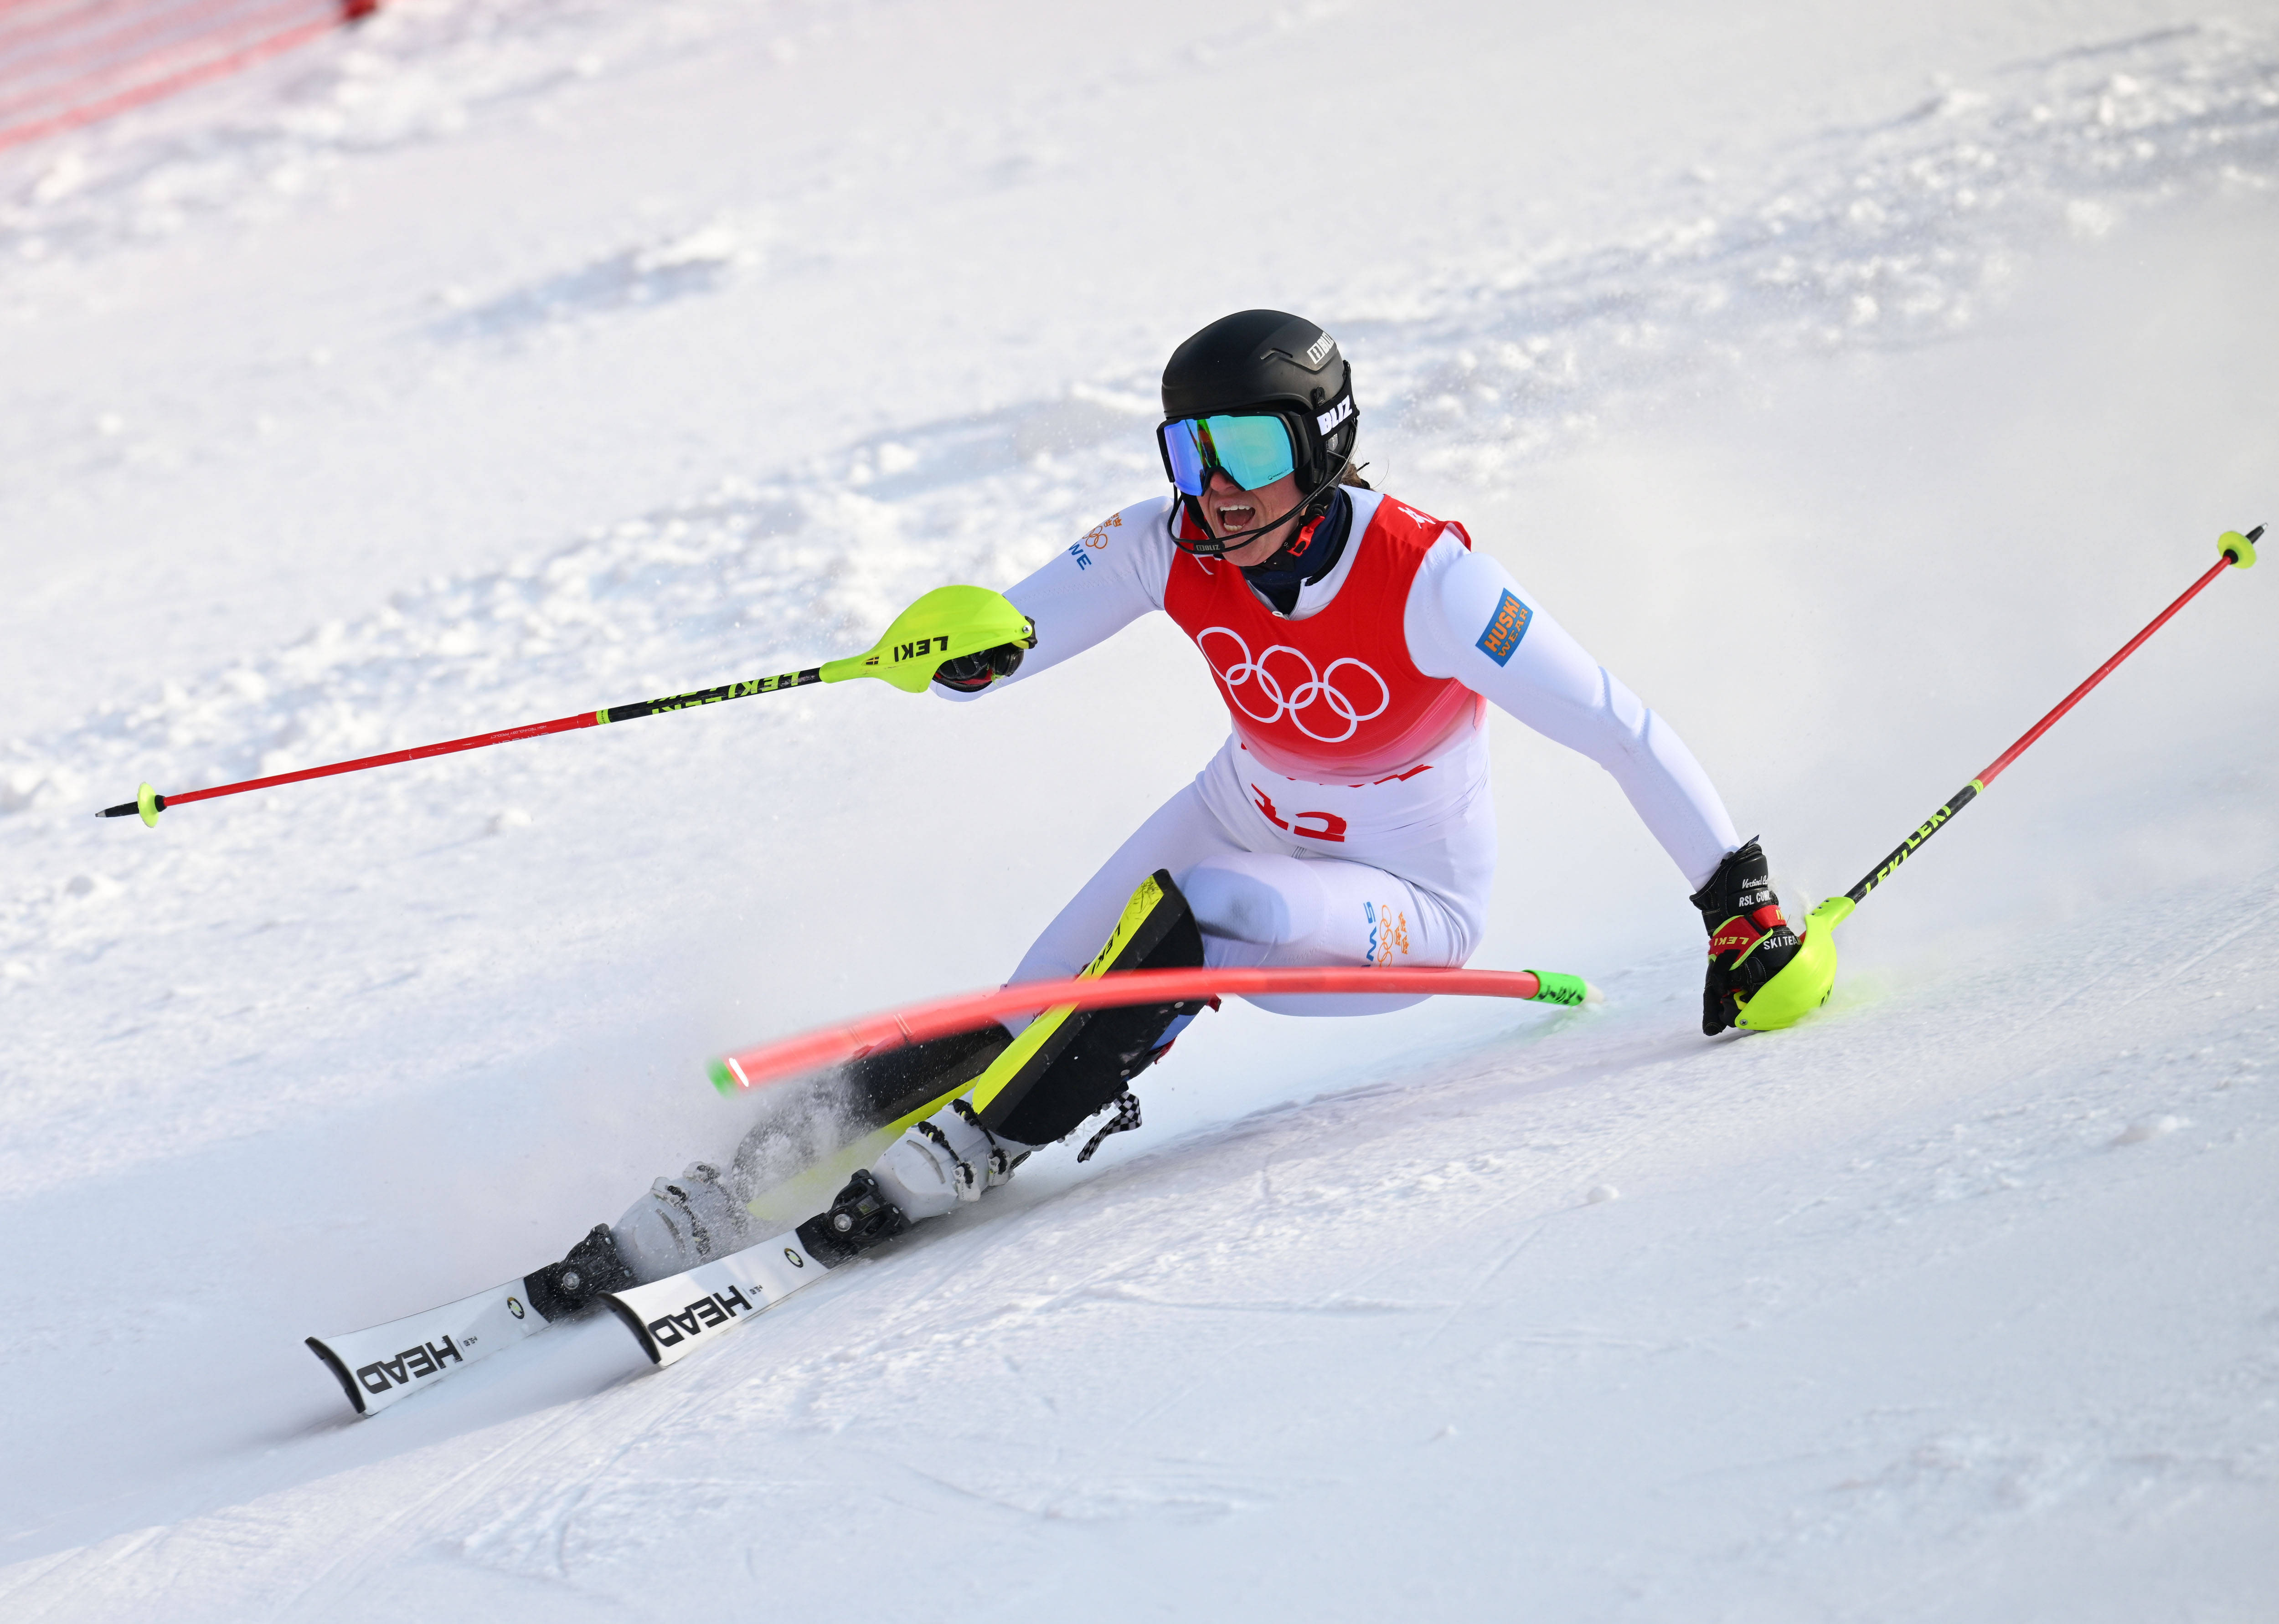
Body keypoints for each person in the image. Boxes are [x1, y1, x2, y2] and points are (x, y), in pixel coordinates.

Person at [572, 309, 1800, 1293]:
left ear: (1322, 443)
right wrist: (957, 653)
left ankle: (982, 1144)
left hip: (1403, 905)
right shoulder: (1166, 542)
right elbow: (1012, 639)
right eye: (1190, 451)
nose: (1217, 487)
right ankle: (744, 1177)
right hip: (1238, 814)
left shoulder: (1432, 579)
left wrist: (1738, 903)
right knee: (1023, 1008)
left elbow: (1619, 726)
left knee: (1205, 909)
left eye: (1249, 452)